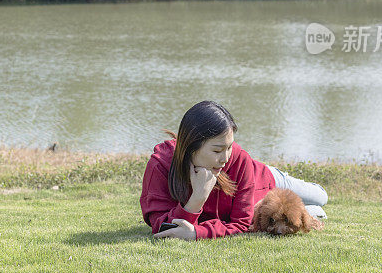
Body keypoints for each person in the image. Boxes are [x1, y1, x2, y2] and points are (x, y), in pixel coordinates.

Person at [140, 100, 328, 241]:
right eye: (217, 150)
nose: (226, 158)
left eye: (229, 147)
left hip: (264, 178)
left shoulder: (239, 159)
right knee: (317, 209)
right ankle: (305, 211)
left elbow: (241, 223)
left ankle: (304, 209)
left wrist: (199, 232)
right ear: (190, 147)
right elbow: (163, 227)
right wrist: (197, 199)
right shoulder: (161, 165)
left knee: (321, 196)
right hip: (261, 204)